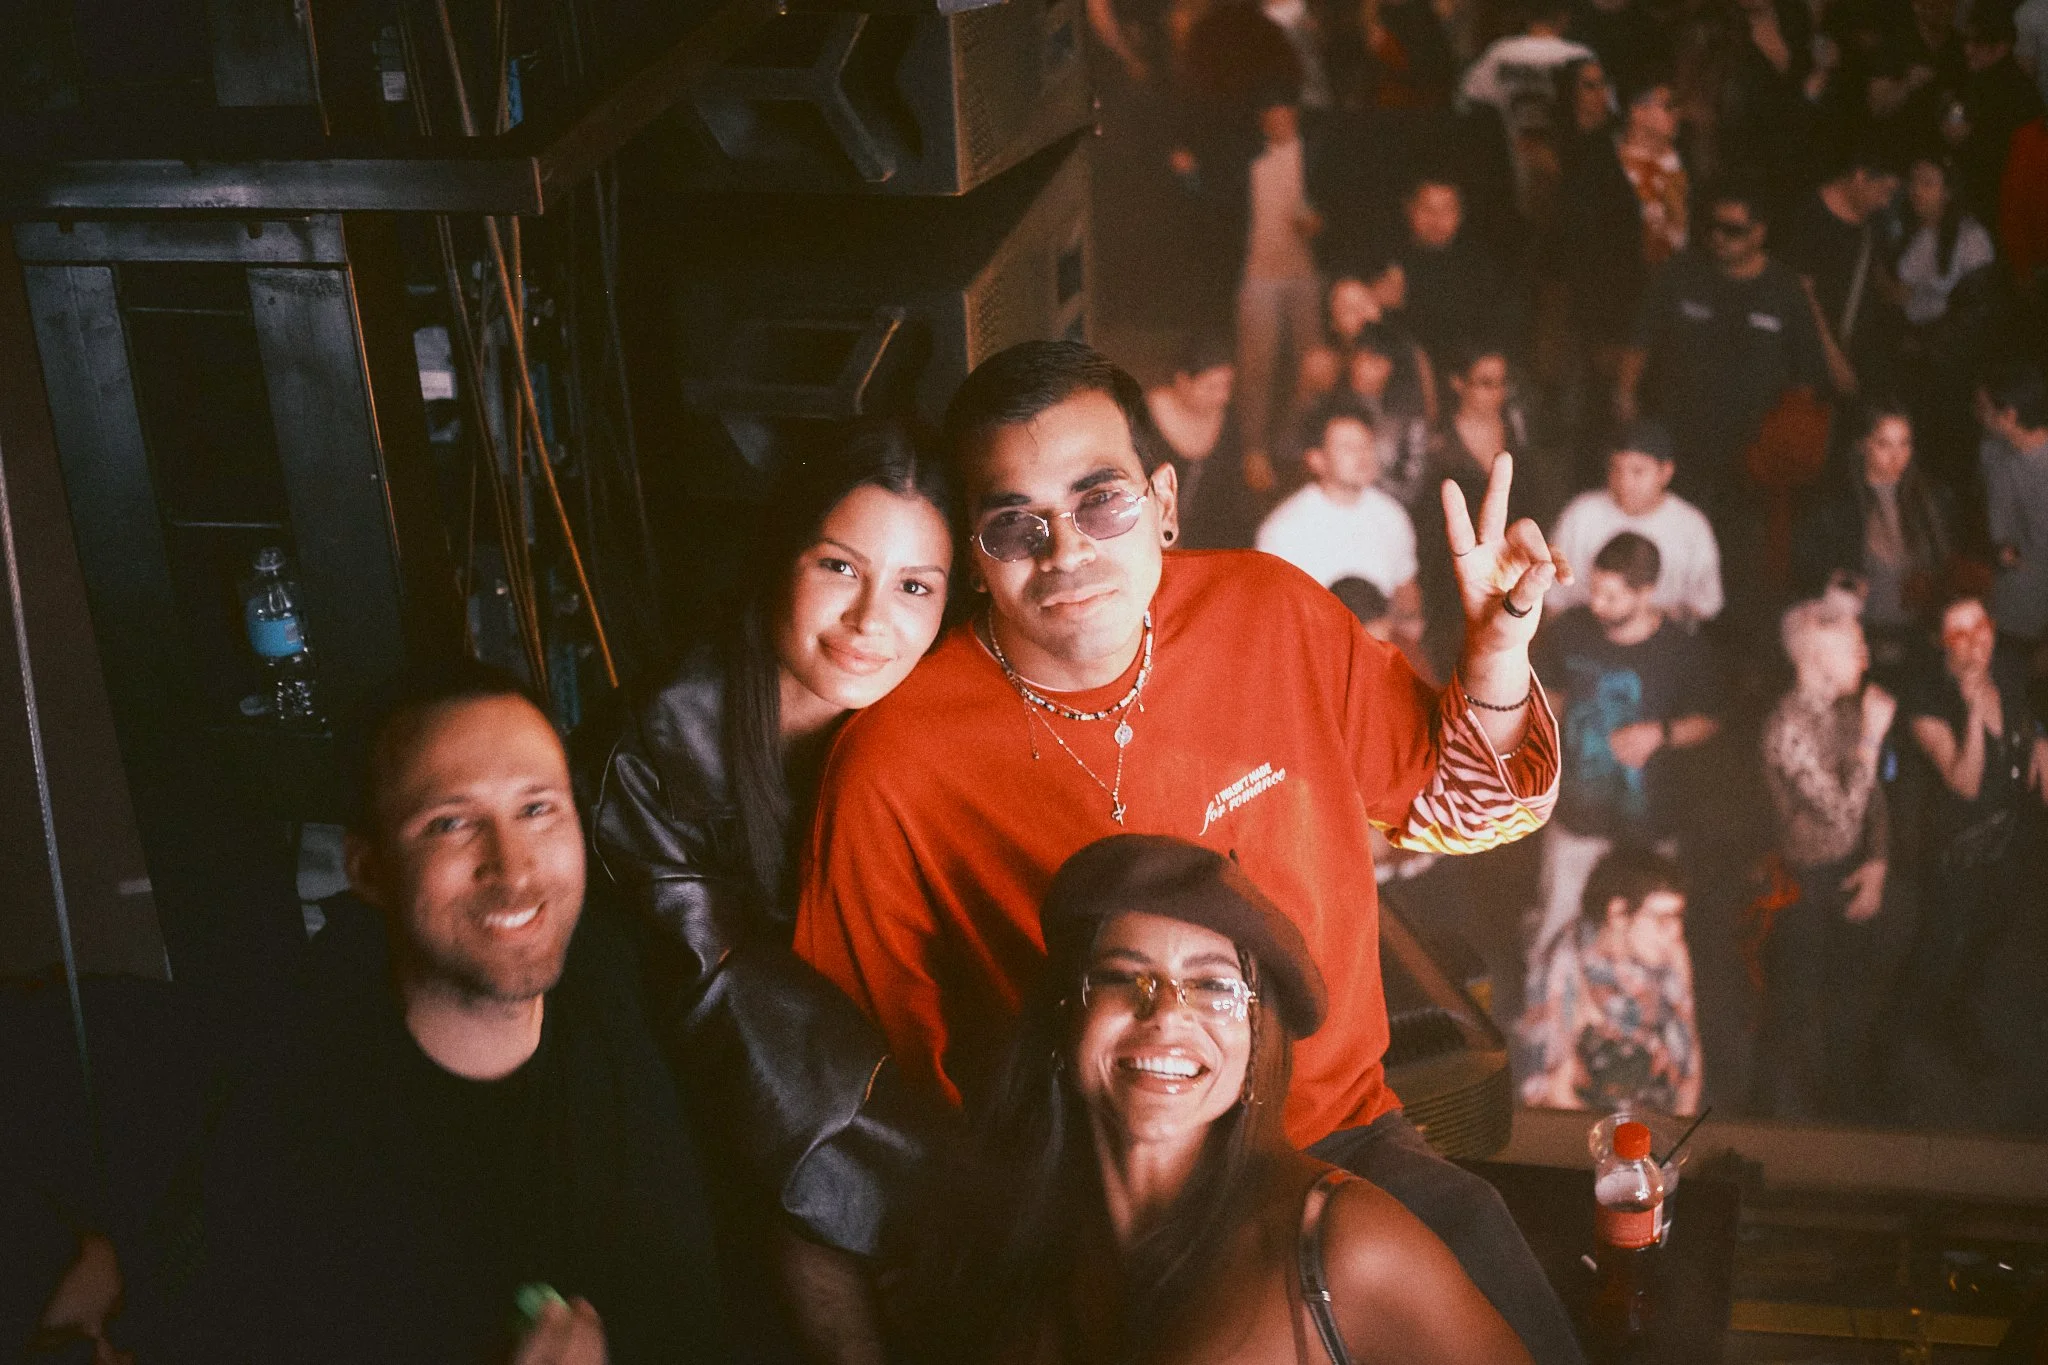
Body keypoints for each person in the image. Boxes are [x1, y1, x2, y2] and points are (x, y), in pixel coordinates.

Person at [795, 340, 1586, 1364]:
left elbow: (1469, 810)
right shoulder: (893, 758)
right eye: (1014, 524)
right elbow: (863, 1089)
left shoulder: (1272, 611)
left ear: (1163, 501)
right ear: (973, 553)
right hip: (1092, 1201)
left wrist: (1496, 660)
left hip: (1336, 1141)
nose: (1065, 551)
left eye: (1100, 502)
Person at [183, 661, 725, 1365]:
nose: (514, 867)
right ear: (368, 870)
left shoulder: (624, 978)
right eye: (451, 823)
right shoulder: (288, 1150)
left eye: (537, 809)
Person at [590, 422, 953, 1364]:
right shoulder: (661, 749)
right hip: (700, 1095)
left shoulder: (926, 722)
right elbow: (724, 1002)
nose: (871, 619)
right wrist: (940, 1182)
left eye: (915, 586)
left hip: (863, 1086)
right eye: (839, 566)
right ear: (779, 556)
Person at [912, 834, 1534, 1365]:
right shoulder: (1004, 1243)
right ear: (1065, 1016)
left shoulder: (1345, 1245)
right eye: (1123, 977)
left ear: (1259, 1043)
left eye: (1214, 987)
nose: (1166, 1013)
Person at [1528, 532, 1722, 963]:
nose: (1597, 604)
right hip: (1576, 815)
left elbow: (1709, 720)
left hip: (1650, 824)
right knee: (1556, 925)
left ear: (1647, 592)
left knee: (1644, 939)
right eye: (1595, 590)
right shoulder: (1569, 631)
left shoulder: (1682, 651)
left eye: (1612, 596)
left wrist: (1660, 734)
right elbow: (1547, 702)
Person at [1753, 593, 1896, 1119]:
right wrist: (1872, 738)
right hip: (1803, 885)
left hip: (1850, 869)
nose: (1865, 656)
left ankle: (1847, 1103)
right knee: (1795, 1008)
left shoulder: (1847, 707)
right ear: (1816, 657)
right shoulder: (1786, 728)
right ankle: (1777, 1124)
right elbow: (1840, 812)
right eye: (1854, 646)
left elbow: (1873, 796)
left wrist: (1877, 861)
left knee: (1850, 998)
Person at [1617, 178, 1830, 519]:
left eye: (1733, 230)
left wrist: (1787, 441)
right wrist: (1625, 398)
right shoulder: (1680, 273)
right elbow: (1640, 340)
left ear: (1759, 233)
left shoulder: (1785, 290)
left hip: (1751, 452)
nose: (1718, 237)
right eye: (1712, 226)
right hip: (1680, 440)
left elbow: (1807, 376)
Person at [1899, 594, 2048, 1072]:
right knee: (1936, 946)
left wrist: (2040, 739)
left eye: (1980, 625)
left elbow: (2031, 717)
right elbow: (1964, 783)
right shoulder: (1927, 697)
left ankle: (1955, 1017)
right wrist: (1976, 706)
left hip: (2011, 840)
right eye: (1959, 633)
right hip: (1957, 848)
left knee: (1988, 935)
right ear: (1942, 643)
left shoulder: (2009, 669)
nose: (1974, 641)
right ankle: (1893, 1049)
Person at [1517, 844, 1702, 1115]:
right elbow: (1552, 1093)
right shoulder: (1565, 965)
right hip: (1592, 1123)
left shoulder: (1671, 952)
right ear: (1617, 914)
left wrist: (1680, 1128)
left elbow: (1690, 1064)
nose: (1676, 931)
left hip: (1657, 1117)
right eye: (1663, 919)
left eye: (1678, 917)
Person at [1792, 400, 1954, 676]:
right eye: (1884, 444)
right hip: (1861, 642)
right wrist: (1837, 583)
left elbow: (1946, 565)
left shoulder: (1929, 499)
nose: (1897, 456)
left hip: (1919, 643)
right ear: (1863, 444)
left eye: (1904, 444)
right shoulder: (1837, 504)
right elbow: (1806, 569)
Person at [1256, 400, 1422, 631]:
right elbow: (1274, 623)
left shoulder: (1392, 515)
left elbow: (1407, 600)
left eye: (1366, 444)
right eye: (1347, 447)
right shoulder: (1283, 530)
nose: (1362, 455)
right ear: (1317, 459)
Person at [1548, 421, 1723, 625]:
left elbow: (1707, 604)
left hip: (1663, 635)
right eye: (1616, 469)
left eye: (1638, 471)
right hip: (1584, 631)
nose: (1624, 483)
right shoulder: (1581, 514)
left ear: (1665, 472)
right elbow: (1553, 600)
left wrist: (1646, 621)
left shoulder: (1691, 526)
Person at [1238, 99, 1328, 491]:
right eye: (1271, 117)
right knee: (1256, 364)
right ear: (1262, 121)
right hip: (1258, 276)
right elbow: (1223, 209)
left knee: (1313, 365)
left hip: (1306, 276)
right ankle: (1254, 451)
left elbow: (1340, 208)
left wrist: (1321, 224)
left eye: (1285, 116)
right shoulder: (1249, 160)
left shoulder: (1315, 157)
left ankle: (1299, 445)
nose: (1279, 123)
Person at [1779, 145, 1905, 396]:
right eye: (1884, 190)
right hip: (1816, 356)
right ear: (1860, 177)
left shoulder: (1873, 222)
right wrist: (1832, 357)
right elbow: (1802, 293)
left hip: (1862, 355)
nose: (1886, 202)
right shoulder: (1809, 218)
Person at [1393, 176, 1521, 366]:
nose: (1436, 220)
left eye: (1446, 210)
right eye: (1427, 209)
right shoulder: (1389, 261)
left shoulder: (1479, 265)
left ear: (1459, 215)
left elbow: (1500, 324)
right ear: (1409, 209)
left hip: (1466, 365)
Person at [1145, 334, 1250, 549]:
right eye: (1211, 387)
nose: (1222, 397)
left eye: (1226, 386)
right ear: (1182, 382)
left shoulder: (1229, 419)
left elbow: (1231, 492)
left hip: (1213, 537)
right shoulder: (1143, 418)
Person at [1979, 359, 2048, 650]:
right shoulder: (1991, 452)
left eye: (1983, 408)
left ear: (2008, 416)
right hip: (1995, 610)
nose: (1977, 413)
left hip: (2035, 626)